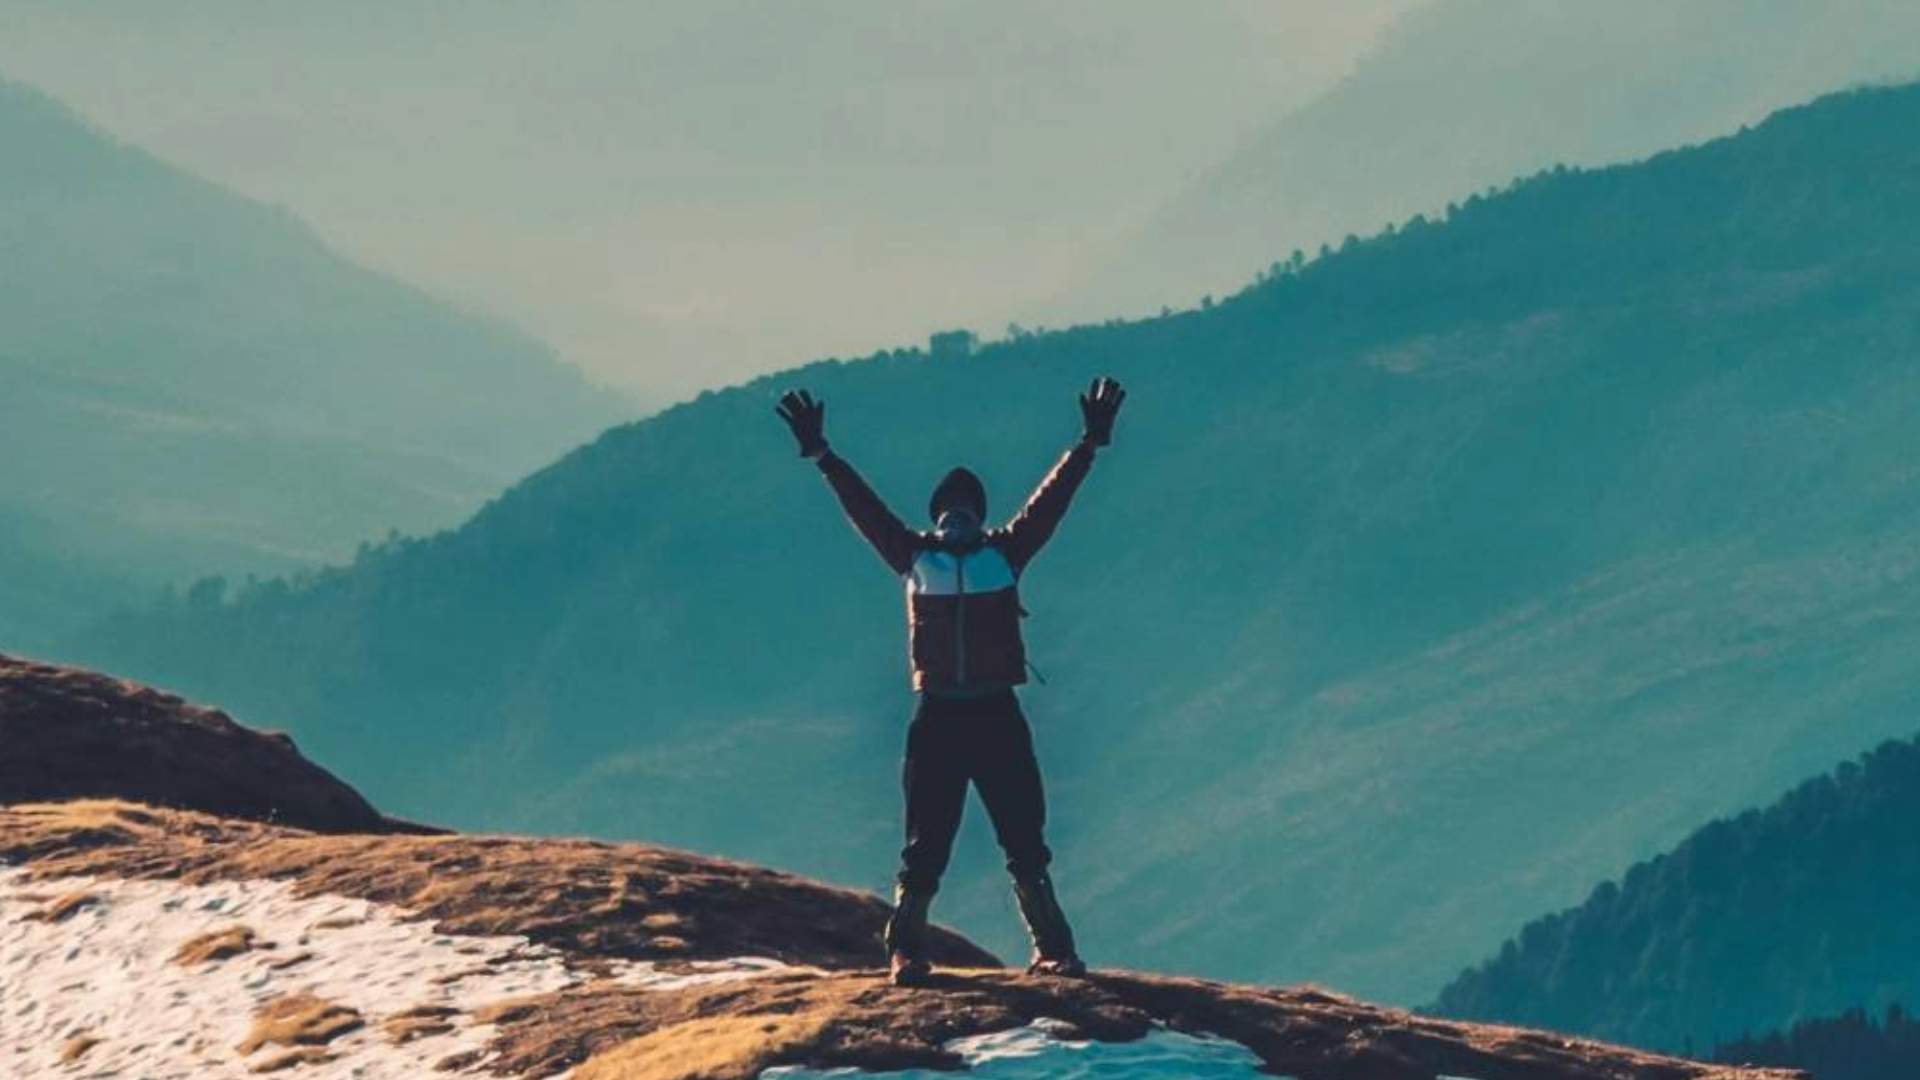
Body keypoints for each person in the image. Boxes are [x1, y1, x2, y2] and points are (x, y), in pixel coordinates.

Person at [775, 377, 1126, 986]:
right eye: (948, 511)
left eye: (964, 510)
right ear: (936, 517)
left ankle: (1053, 951)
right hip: (942, 717)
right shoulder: (914, 556)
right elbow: (866, 509)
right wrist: (823, 456)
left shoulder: (1005, 552)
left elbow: (1052, 501)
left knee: (1025, 839)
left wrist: (1087, 447)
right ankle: (907, 953)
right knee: (925, 843)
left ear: (979, 518)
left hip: (991, 713)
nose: (956, 519)